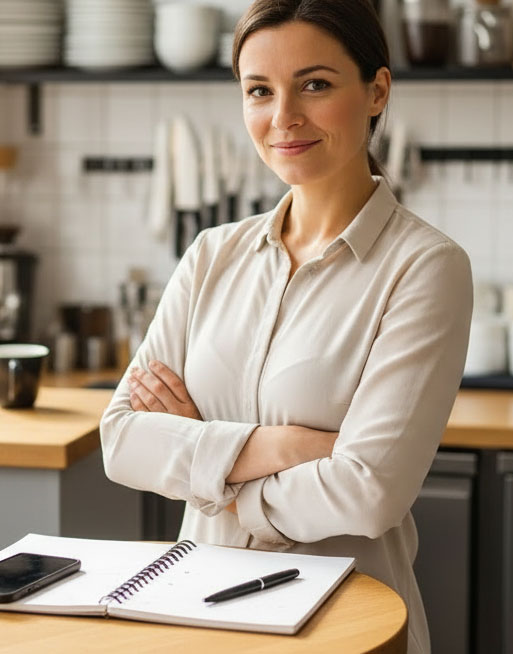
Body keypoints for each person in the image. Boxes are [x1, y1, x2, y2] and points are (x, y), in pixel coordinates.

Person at [99, 1, 472, 651]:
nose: (283, 117)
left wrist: (206, 466)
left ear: (377, 91)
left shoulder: (425, 267)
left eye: (315, 84)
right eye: (259, 91)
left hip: (345, 627)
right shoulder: (211, 255)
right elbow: (122, 440)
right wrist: (287, 446)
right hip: (198, 620)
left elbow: (367, 493)